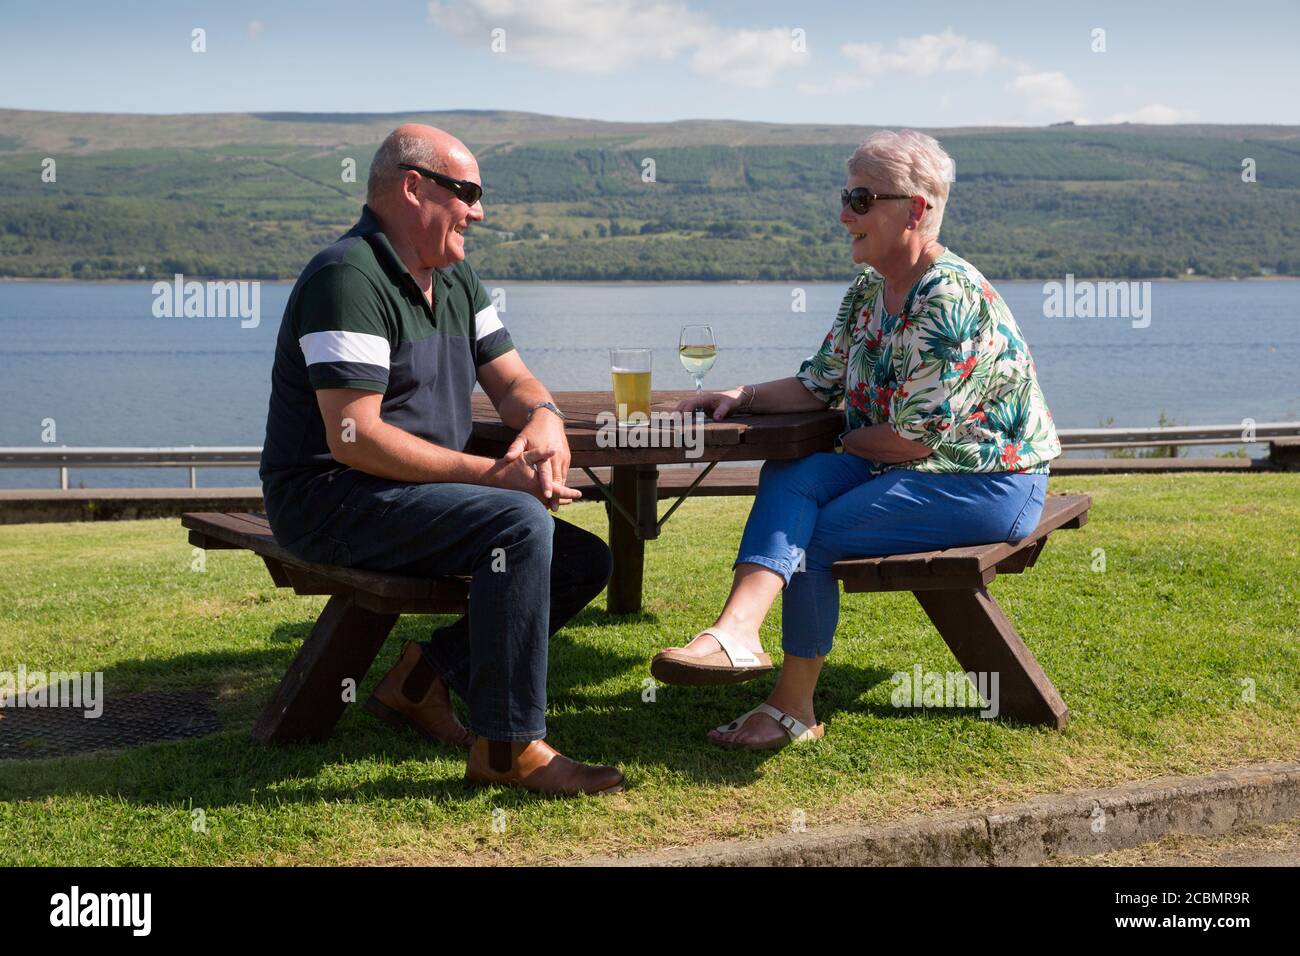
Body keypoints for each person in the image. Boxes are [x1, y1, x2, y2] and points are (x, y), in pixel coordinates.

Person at [651, 129, 1061, 750]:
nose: (845, 214)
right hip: (907, 466)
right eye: (846, 196)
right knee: (791, 475)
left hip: (986, 483)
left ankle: (791, 710)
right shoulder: (870, 290)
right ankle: (736, 632)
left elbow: (910, 441)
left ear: (916, 209)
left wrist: (838, 447)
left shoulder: (947, 296)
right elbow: (820, 383)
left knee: (812, 531)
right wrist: (742, 396)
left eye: (863, 200)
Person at [260, 124, 623, 796]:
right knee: (518, 528)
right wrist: (496, 477)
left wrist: (544, 422)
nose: (478, 212)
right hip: (330, 498)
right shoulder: (349, 277)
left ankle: (421, 680)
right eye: (468, 193)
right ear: (413, 187)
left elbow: (514, 382)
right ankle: (507, 749)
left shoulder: (454, 279)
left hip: (401, 499)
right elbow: (353, 436)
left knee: (583, 561)